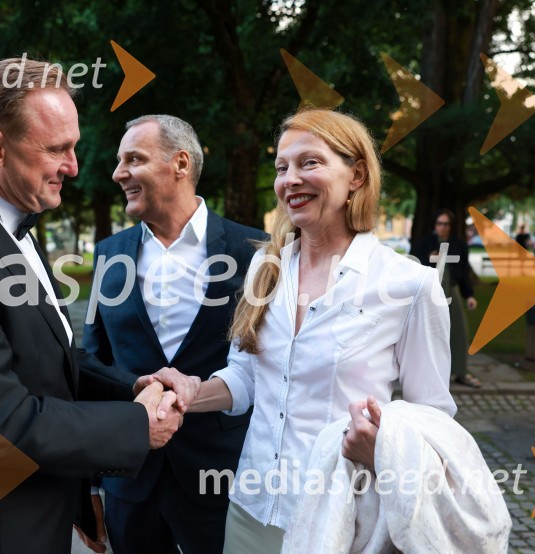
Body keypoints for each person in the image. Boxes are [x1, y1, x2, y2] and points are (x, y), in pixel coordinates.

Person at [0, 58, 182, 553]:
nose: (74, 166)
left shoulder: (8, 222)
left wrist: (132, 387)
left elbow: (45, 356)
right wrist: (137, 425)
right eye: (57, 149)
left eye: (73, 147)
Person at [135, 108, 457, 553]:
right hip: (251, 510)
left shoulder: (410, 284)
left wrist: (383, 451)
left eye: (310, 163)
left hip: (344, 520)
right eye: (281, 167)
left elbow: (434, 421)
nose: (290, 180)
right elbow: (247, 377)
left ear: (357, 175)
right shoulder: (263, 269)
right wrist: (191, 391)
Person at [82, 115, 266, 554]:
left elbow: (267, 368)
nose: (118, 173)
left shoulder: (254, 252)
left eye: (134, 159)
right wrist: (89, 484)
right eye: (119, 161)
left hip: (222, 476)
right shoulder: (109, 254)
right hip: (129, 479)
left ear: (180, 163)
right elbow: (93, 367)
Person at [412, 209, 481, 388]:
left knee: (458, 331)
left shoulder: (458, 244)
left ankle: (459, 371)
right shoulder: (424, 243)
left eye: (446, 224)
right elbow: (413, 266)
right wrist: (429, 259)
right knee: (427, 332)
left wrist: (469, 295)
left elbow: (463, 272)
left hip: (452, 290)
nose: (442, 227)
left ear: (451, 226)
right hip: (429, 292)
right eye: (439, 223)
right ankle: (425, 374)